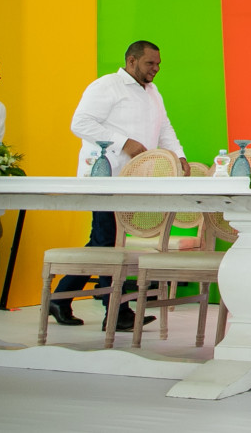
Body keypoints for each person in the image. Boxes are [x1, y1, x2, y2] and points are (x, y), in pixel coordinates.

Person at [50, 40, 189, 331]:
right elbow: (80, 123)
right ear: (131, 61)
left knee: (103, 242)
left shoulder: (152, 92)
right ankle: (117, 311)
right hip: (104, 177)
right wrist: (123, 142)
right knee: (107, 242)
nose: (156, 69)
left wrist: (179, 155)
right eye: (150, 63)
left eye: (158, 64)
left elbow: (164, 127)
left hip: (133, 181)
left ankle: (61, 297)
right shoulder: (106, 86)